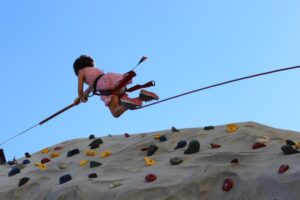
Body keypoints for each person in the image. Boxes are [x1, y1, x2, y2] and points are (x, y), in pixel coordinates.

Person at [73, 55, 159, 118]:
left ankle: (128, 104)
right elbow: (88, 90)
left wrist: (82, 99)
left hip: (105, 87)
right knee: (122, 102)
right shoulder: (94, 71)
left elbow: (80, 91)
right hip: (114, 81)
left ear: (77, 69)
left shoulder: (81, 72)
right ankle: (142, 97)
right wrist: (78, 99)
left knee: (115, 112)